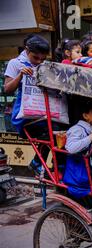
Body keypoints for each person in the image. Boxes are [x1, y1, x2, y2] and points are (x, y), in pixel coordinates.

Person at [2, 34, 57, 174]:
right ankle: (37, 162)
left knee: (58, 133)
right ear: (27, 50)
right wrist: (20, 76)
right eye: (35, 58)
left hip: (43, 115)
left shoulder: (44, 66)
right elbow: (7, 89)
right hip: (24, 117)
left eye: (42, 59)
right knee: (49, 134)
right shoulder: (15, 63)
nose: (39, 62)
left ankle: (49, 165)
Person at [63, 101, 92, 200]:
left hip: (90, 173)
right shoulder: (77, 129)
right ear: (85, 115)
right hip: (79, 176)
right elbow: (71, 148)